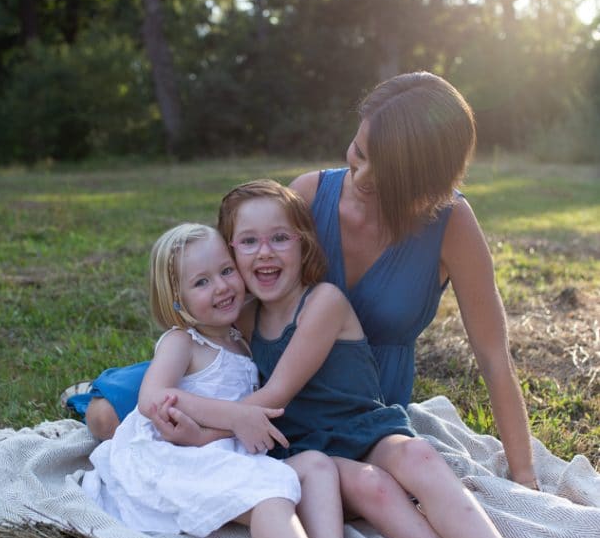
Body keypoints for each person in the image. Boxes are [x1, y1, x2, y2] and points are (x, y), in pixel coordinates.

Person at [151, 181, 588, 538]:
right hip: (306, 448)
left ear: (303, 243)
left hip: (363, 427)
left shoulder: (323, 302)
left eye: (279, 238)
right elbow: (191, 354)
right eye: (248, 242)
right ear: (232, 255)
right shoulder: (243, 317)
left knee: (416, 453)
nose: (265, 253)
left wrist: (207, 429)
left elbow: (273, 397)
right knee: (373, 487)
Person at [75, 72, 537, 491]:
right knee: (106, 416)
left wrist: (525, 478)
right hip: (259, 371)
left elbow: (494, 358)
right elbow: (243, 270)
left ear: (425, 179)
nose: (361, 176)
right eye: (359, 152)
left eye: (387, 171)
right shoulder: (312, 193)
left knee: (355, 486)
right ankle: (99, 391)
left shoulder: (451, 223)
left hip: (353, 398)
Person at [81, 222, 411, 538]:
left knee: (315, 465)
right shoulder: (182, 341)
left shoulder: (241, 337)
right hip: (173, 457)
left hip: (227, 452)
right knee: (270, 494)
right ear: (176, 300)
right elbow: (152, 398)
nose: (221, 287)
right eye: (201, 282)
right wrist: (237, 417)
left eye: (225, 271)